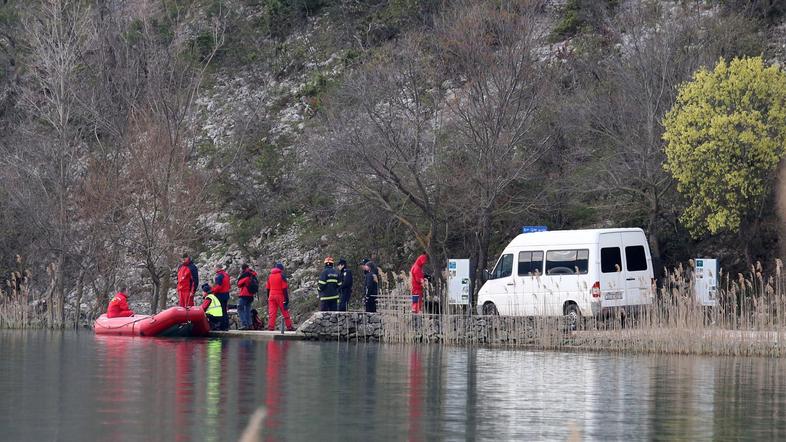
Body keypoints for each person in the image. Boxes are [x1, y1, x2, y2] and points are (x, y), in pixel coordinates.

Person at [266, 262, 294, 331]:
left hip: (271, 296)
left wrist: (268, 297)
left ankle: (271, 327)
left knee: (272, 313)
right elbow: (284, 289)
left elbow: (267, 288)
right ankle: (289, 327)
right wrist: (286, 299)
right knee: (285, 312)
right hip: (280, 296)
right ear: (281, 269)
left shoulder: (270, 276)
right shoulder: (281, 276)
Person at [210, 263, 231, 331]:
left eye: (215, 268)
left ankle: (222, 326)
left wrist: (212, 291)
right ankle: (226, 325)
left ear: (218, 268)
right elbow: (228, 286)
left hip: (220, 295)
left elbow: (218, 286)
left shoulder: (219, 276)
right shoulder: (226, 275)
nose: (214, 269)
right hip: (226, 294)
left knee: (221, 311)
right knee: (224, 310)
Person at [236, 264, 257, 330]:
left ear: (243, 269)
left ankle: (244, 324)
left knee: (240, 308)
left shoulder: (246, 275)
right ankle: (250, 325)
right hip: (251, 295)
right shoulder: (253, 274)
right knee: (247, 310)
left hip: (244, 294)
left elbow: (239, 284)